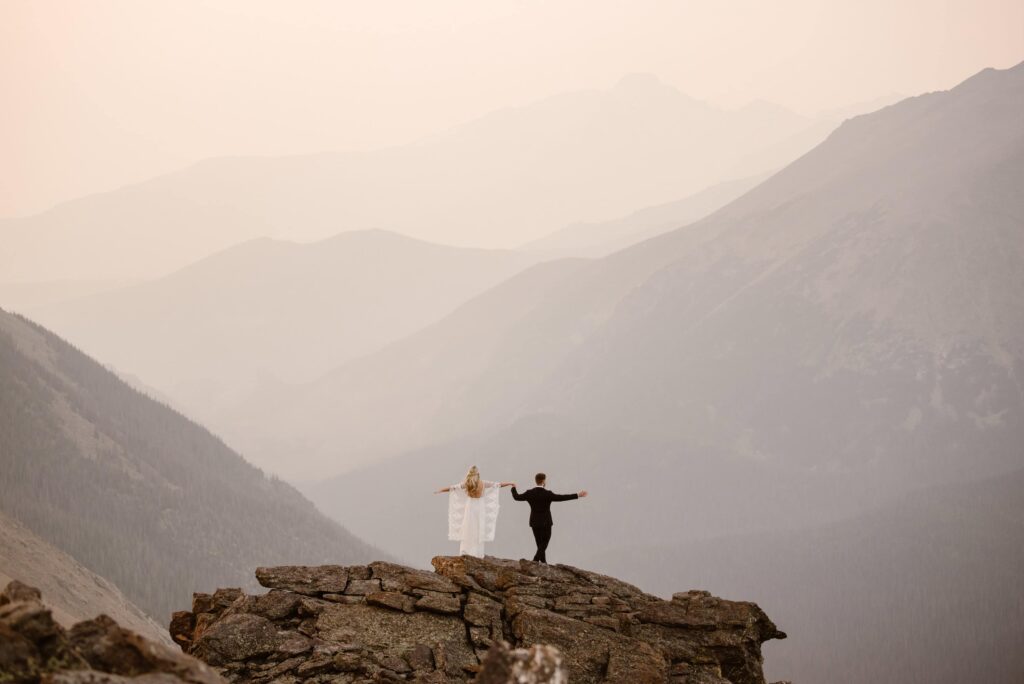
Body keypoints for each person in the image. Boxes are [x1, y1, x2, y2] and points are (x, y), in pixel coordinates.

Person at [435, 466, 514, 557]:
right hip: (480, 507)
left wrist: (441, 490)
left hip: (470, 507)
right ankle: (477, 552)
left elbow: (453, 488)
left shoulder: (467, 483)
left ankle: (466, 551)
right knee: (478, 528)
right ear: (478, 474)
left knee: (468, 528)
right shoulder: (483, 483)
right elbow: (498, 484)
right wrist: (509, 483)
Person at [511, 473, 587, 563]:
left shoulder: (529, 493)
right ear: (543, 481)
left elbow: (517, 497)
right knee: (544, 543)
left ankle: (543, 563)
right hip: (546, 522)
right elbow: (561, 497)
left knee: (539, 544)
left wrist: (513, 488)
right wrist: (577, 495)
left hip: (534, 522)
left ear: (536, 481)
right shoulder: (547, 494)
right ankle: (535, 561)